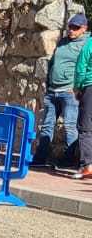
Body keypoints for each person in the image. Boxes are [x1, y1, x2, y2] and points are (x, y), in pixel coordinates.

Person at [37, 11, 86, 168]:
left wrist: (77, 87)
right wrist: (48, 82)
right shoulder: (63, 42)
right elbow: (53, 62)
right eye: (70, 26)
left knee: (70, 126)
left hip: (69, 92)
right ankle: (40, 158)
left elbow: (85, 67)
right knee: (47, 125)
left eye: (75, 27)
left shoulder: (86, 44)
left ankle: (70, 160)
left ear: (84, 28)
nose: (71, 30)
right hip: (53, 90)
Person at [75, 22, 92, 181]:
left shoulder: (89, 44)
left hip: (89, 87)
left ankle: (88, 166)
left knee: (85, 127)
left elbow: (81, 67)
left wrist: (77, 87)